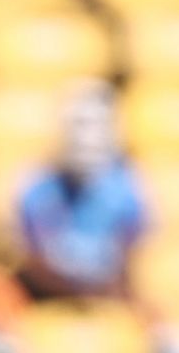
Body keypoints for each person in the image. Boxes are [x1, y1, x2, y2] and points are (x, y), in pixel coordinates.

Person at [13, 82, 147, 303]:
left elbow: (130, 255)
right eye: (79, 124)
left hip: (108, 296)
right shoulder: (36, 189)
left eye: (97, 125)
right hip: (49, 297)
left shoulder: (129, 189)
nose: (87, 138)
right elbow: (34, 260)